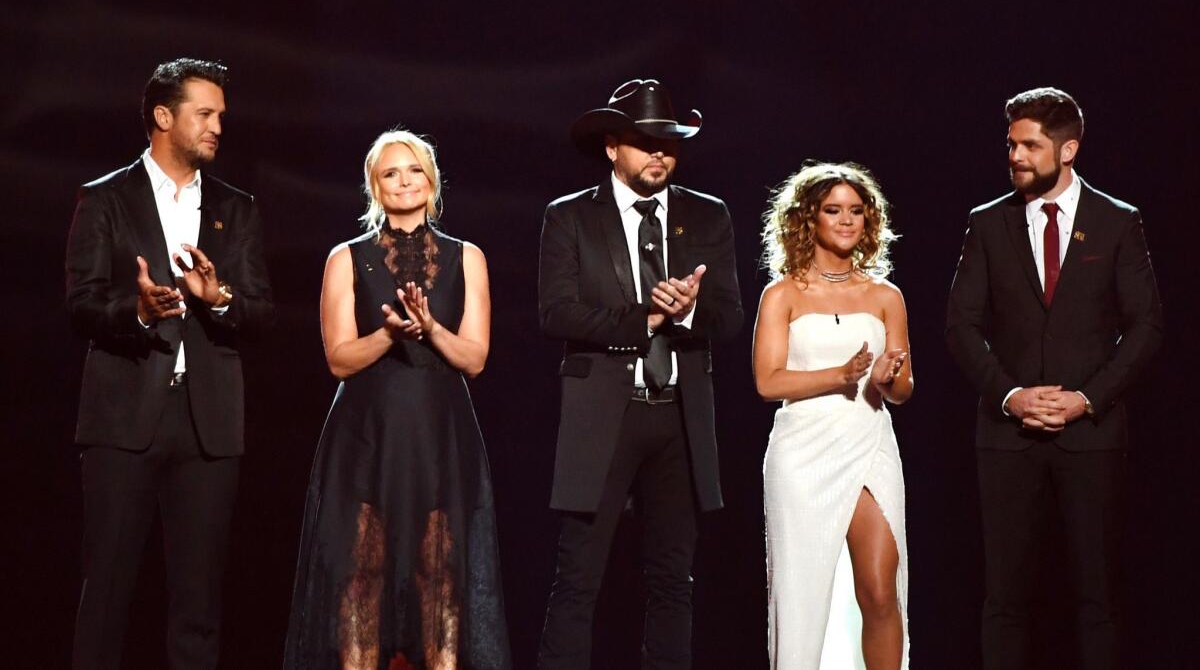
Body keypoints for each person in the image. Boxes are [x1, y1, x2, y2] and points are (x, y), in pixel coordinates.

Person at [64, 58, 275, 669]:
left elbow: (261, 313)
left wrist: (220, 298)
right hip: (123, 418)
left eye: (220, 117)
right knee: (105, 594)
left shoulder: (238, 207)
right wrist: (138, 311)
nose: (217, 127)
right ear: (164, 117)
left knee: (199, 606)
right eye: (204, 114)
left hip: (207, 423)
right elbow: (80, 305)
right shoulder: (104, 198)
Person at [946, 87, 1163, 670]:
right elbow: (961, 325)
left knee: (1097, 597)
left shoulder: (1118, 222)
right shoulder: (986, 223)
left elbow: (1145, 326)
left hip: (1091, 436)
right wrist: (1011, 395)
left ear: (1068, 149)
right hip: (1006, 438)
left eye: (1030, 145)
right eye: (1011, 143)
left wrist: (1087, 398)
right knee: (1004, 598)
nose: (1016, 155)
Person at [284, 130, 511, 670]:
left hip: (438, 432)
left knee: (441, 577)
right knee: (360, 573)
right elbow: (339, 359)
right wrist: (389, 335)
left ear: (432, 183)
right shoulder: (346, 258)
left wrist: (430, 328)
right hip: (367, 432)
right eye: (390, 173)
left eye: (414, 171)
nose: (403, 181)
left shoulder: (467, 257)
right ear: (374, 186)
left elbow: (475, 358)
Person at [537, 78, 743, 669]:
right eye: (645, 141)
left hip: (678, 416)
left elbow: (730, 316)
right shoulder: (570, 216)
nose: (660, 153)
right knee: (578, 576)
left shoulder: (707, 215)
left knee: (673, 579)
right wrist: (649, 317)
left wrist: (691, 310)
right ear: (611, 147)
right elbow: (556, 312)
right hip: (604, 411)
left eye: (670, 143)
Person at [754, 162, 912, 669]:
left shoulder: (886, 296)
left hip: (868, 441)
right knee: (802, 598)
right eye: (833, 210)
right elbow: (768, 381)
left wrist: (888, 377)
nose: (847, 220)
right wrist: (840, 375)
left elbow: (903, 389)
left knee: (880, 589)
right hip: (803, 451)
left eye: (857, 211)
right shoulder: (782, 295)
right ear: (809, 219)